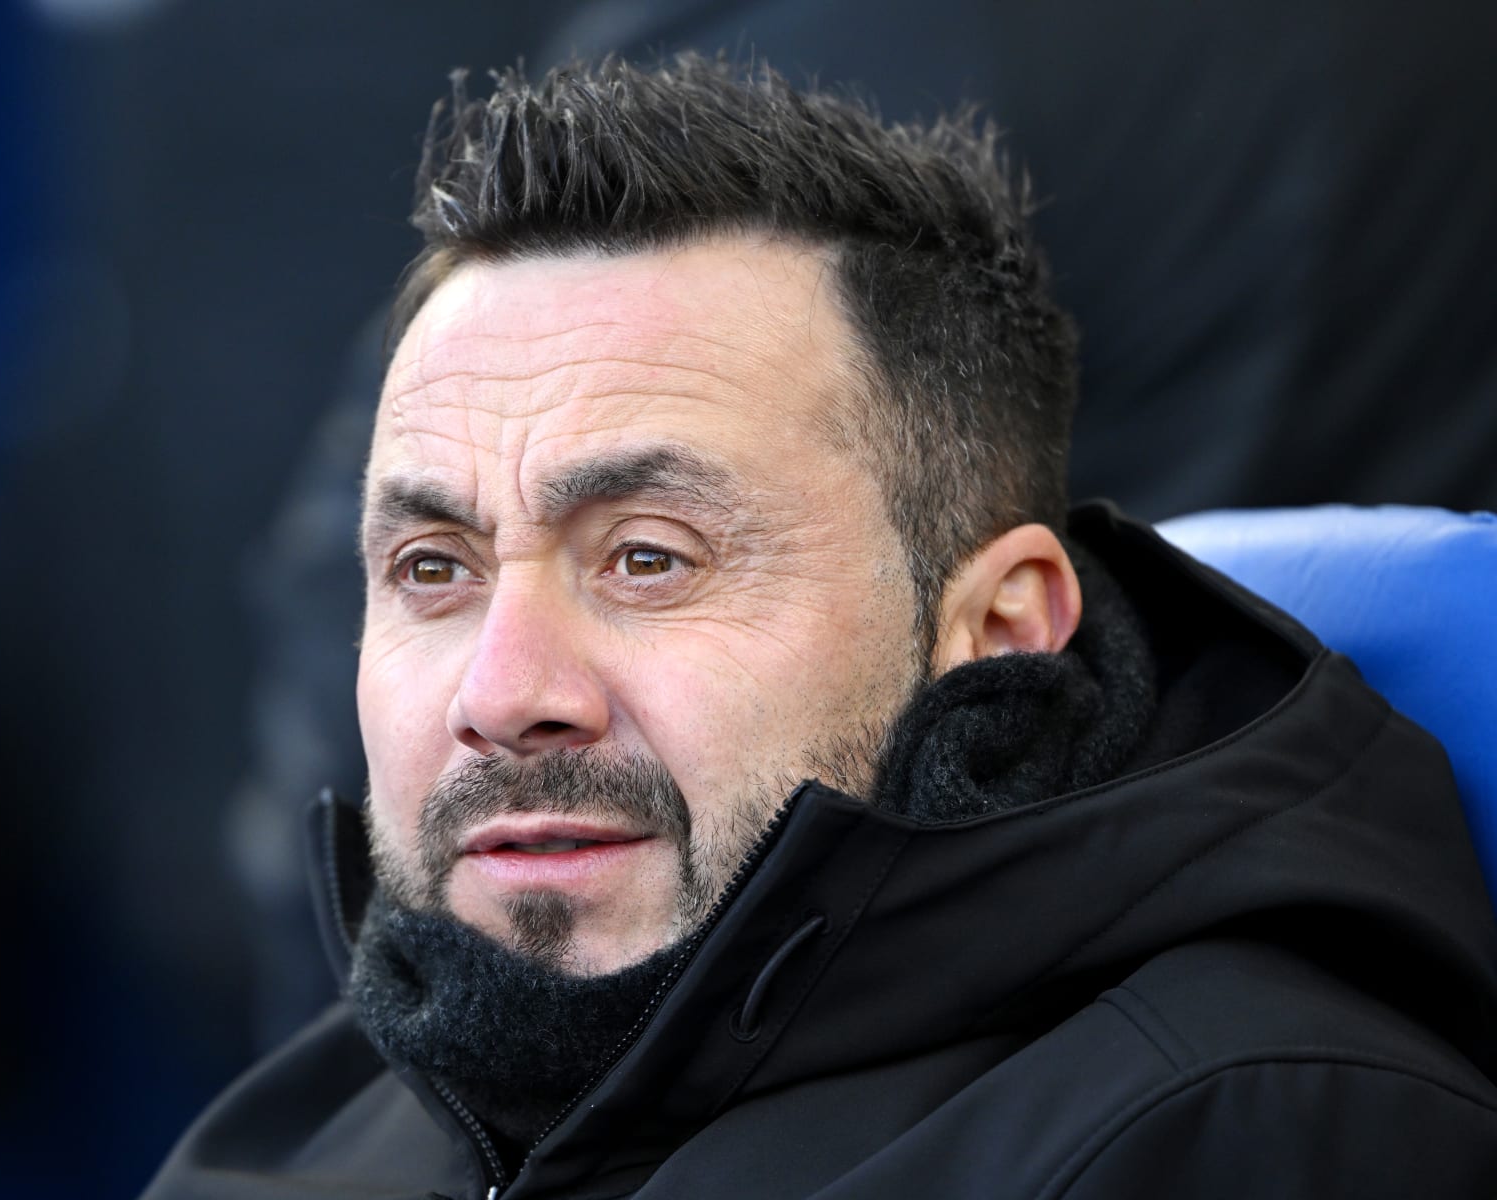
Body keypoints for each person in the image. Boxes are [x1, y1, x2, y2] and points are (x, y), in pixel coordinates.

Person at [144, 55, 1497, 1199]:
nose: (502, 694)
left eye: (648, 557)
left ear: (1000, 629)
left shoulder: (1228, 1135)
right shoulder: (312, 1121)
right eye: (434, 569)